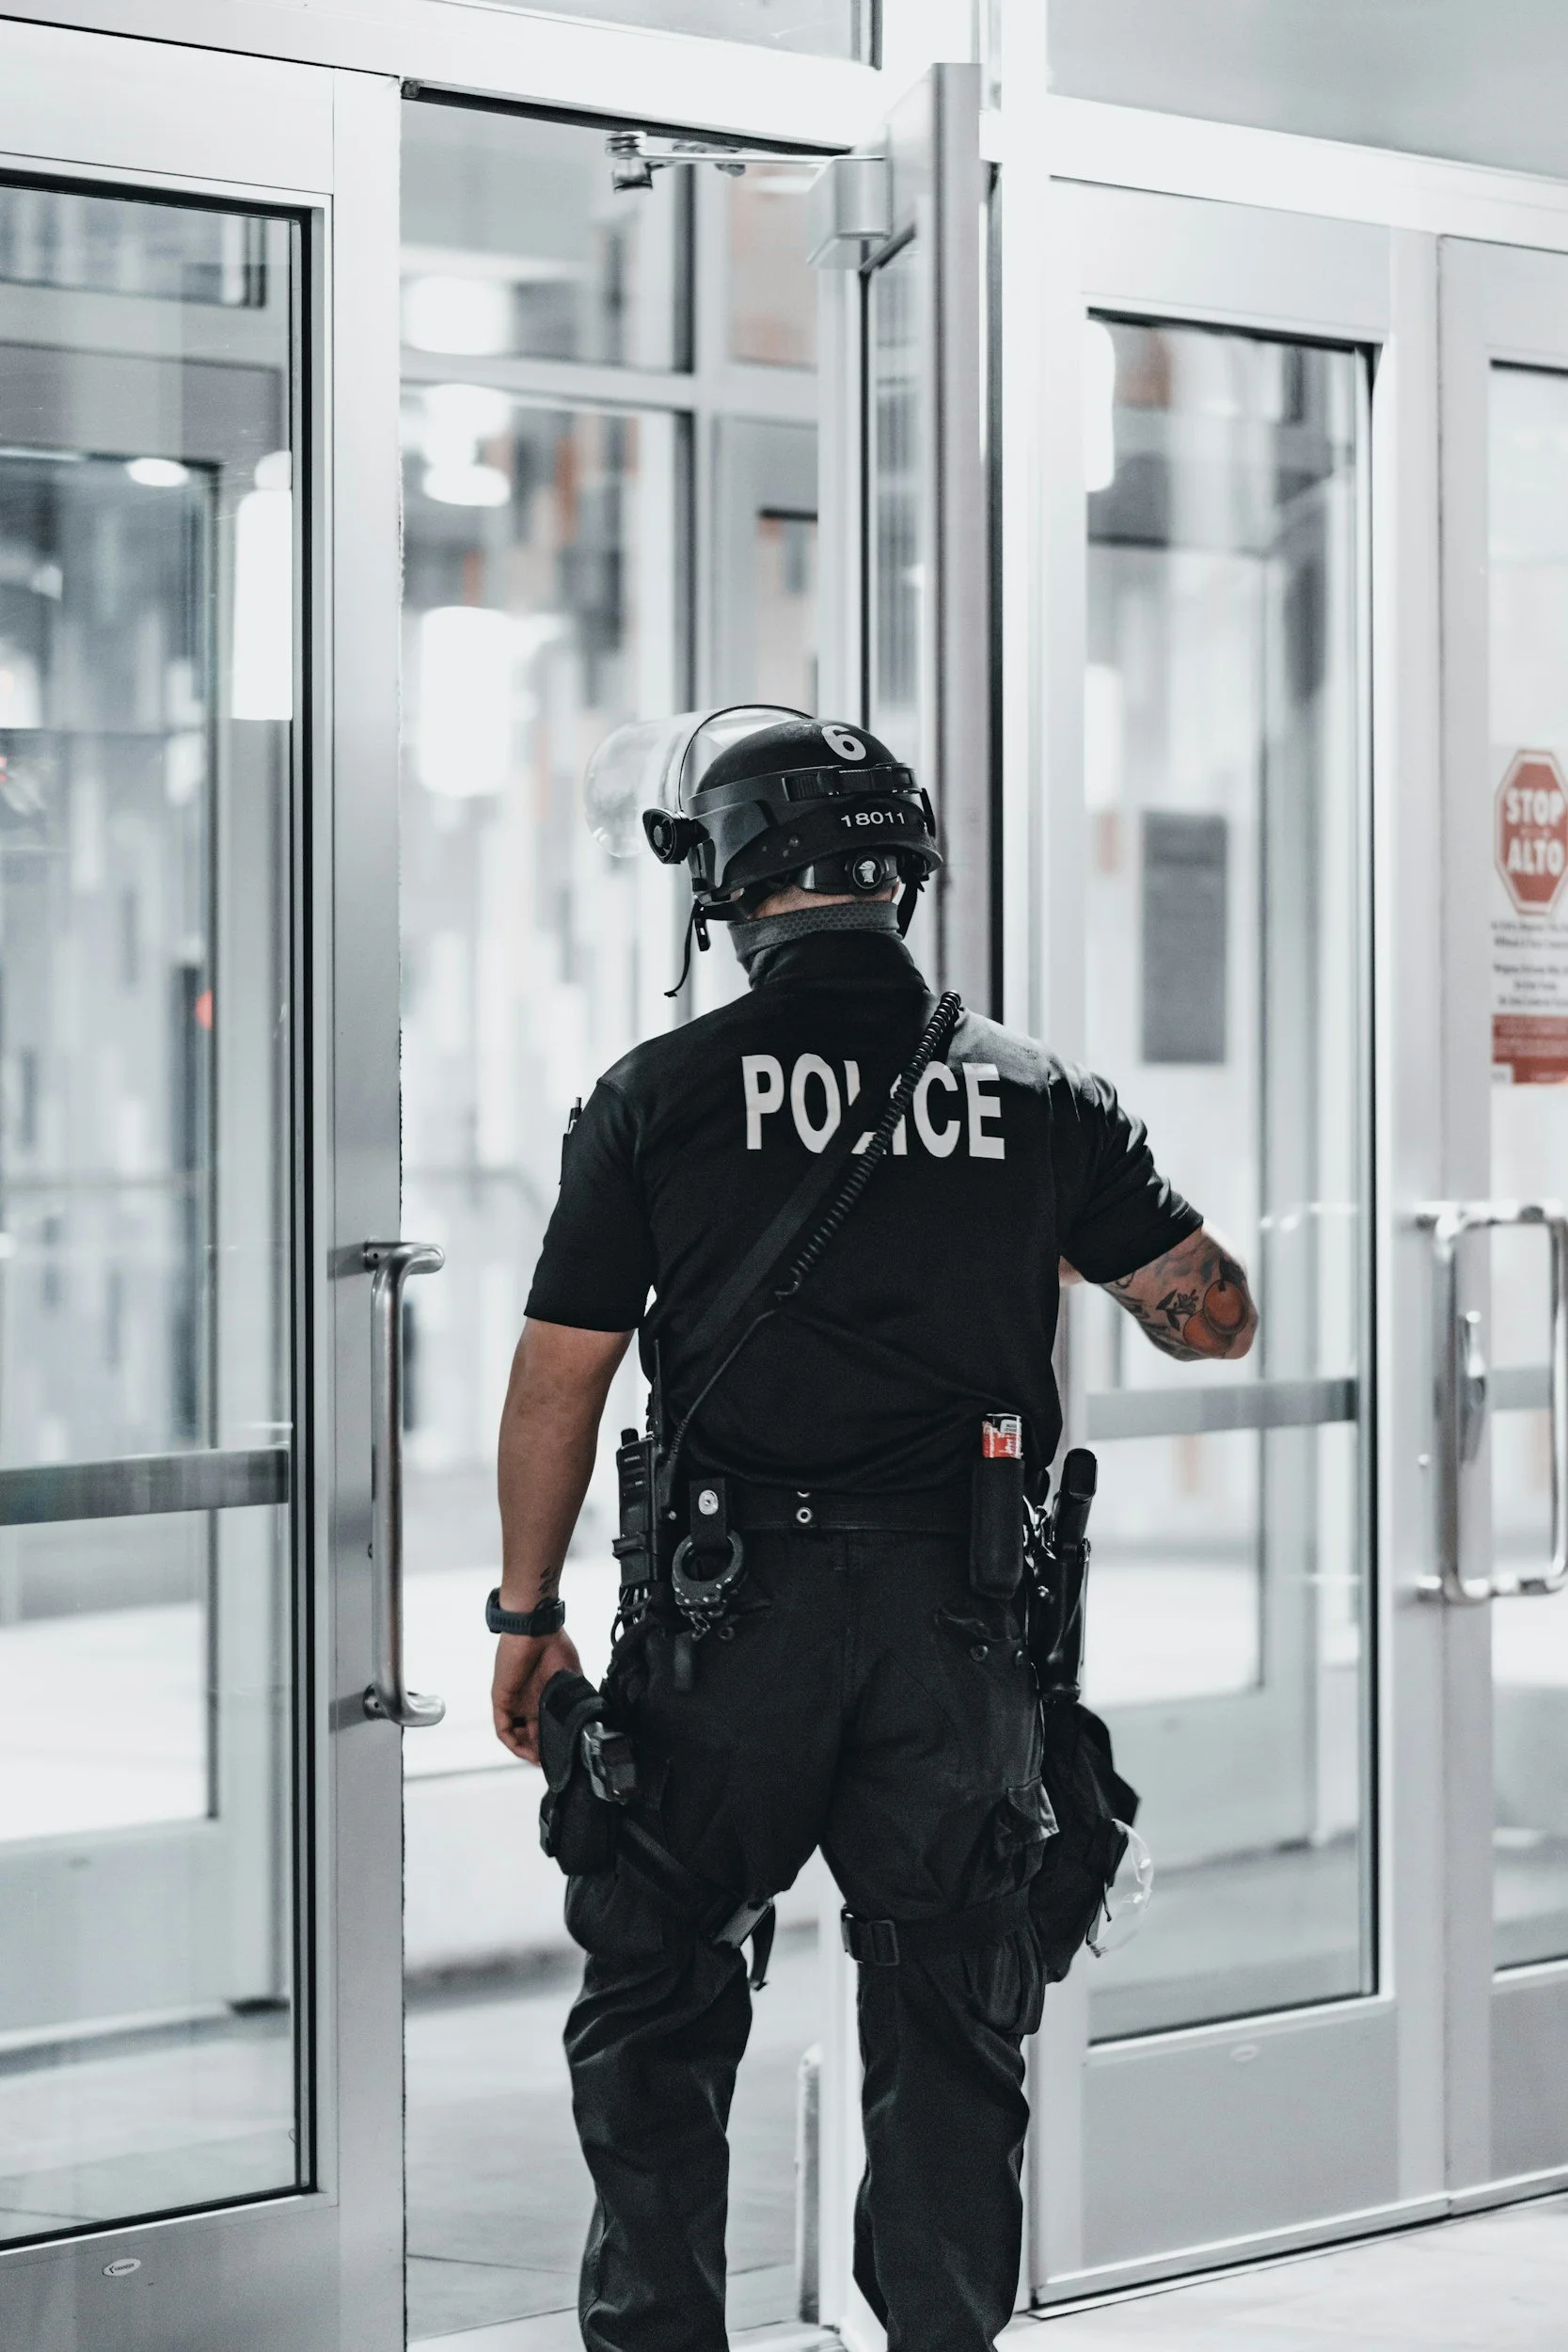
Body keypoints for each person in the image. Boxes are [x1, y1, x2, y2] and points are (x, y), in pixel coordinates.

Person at [488, 716, 1258, 2352]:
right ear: (905, 880)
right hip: (957, 1630)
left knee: (657, 1997)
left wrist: (524, 1614)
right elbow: (1213, 1319)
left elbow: (563, 1372)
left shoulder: (658, 1096)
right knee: (948, 2017)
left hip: (726, 1620)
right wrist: (1026, 1246)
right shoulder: (1040, 1100)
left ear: (726, 885)